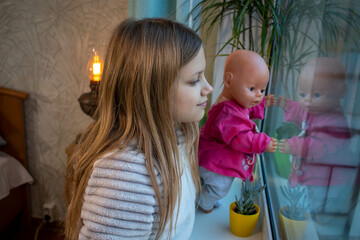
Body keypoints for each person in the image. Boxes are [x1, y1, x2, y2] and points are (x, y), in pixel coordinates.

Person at [64, 18, 213, 240]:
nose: (208, 88)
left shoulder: (177, 132)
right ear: (155, 90)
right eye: (194, 81)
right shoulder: (127, 176)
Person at [197, 49, 277, 213]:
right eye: (253, 88)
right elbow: (241, 138)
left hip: (210, 155)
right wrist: (263, 142)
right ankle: (203, 202)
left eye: (262, 90)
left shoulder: (234, 104)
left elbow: (245, 112)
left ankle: (206, 193)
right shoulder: (228, 113)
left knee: (209, 183)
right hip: (215, 162)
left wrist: (262, 104)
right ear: (228, 80)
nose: (258, 95)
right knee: (220, 187)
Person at [276, 57, 356, 215]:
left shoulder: (335, 123)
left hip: (329, 184)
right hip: (314, 177)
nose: (307, 101)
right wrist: (289, 105)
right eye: (303, 94)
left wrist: (294, 146)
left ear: (341, 91)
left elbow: (318, 146)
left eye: (317, 94)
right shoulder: (315, 110)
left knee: (319, 211)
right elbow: (302, 112)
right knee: (305, 202)